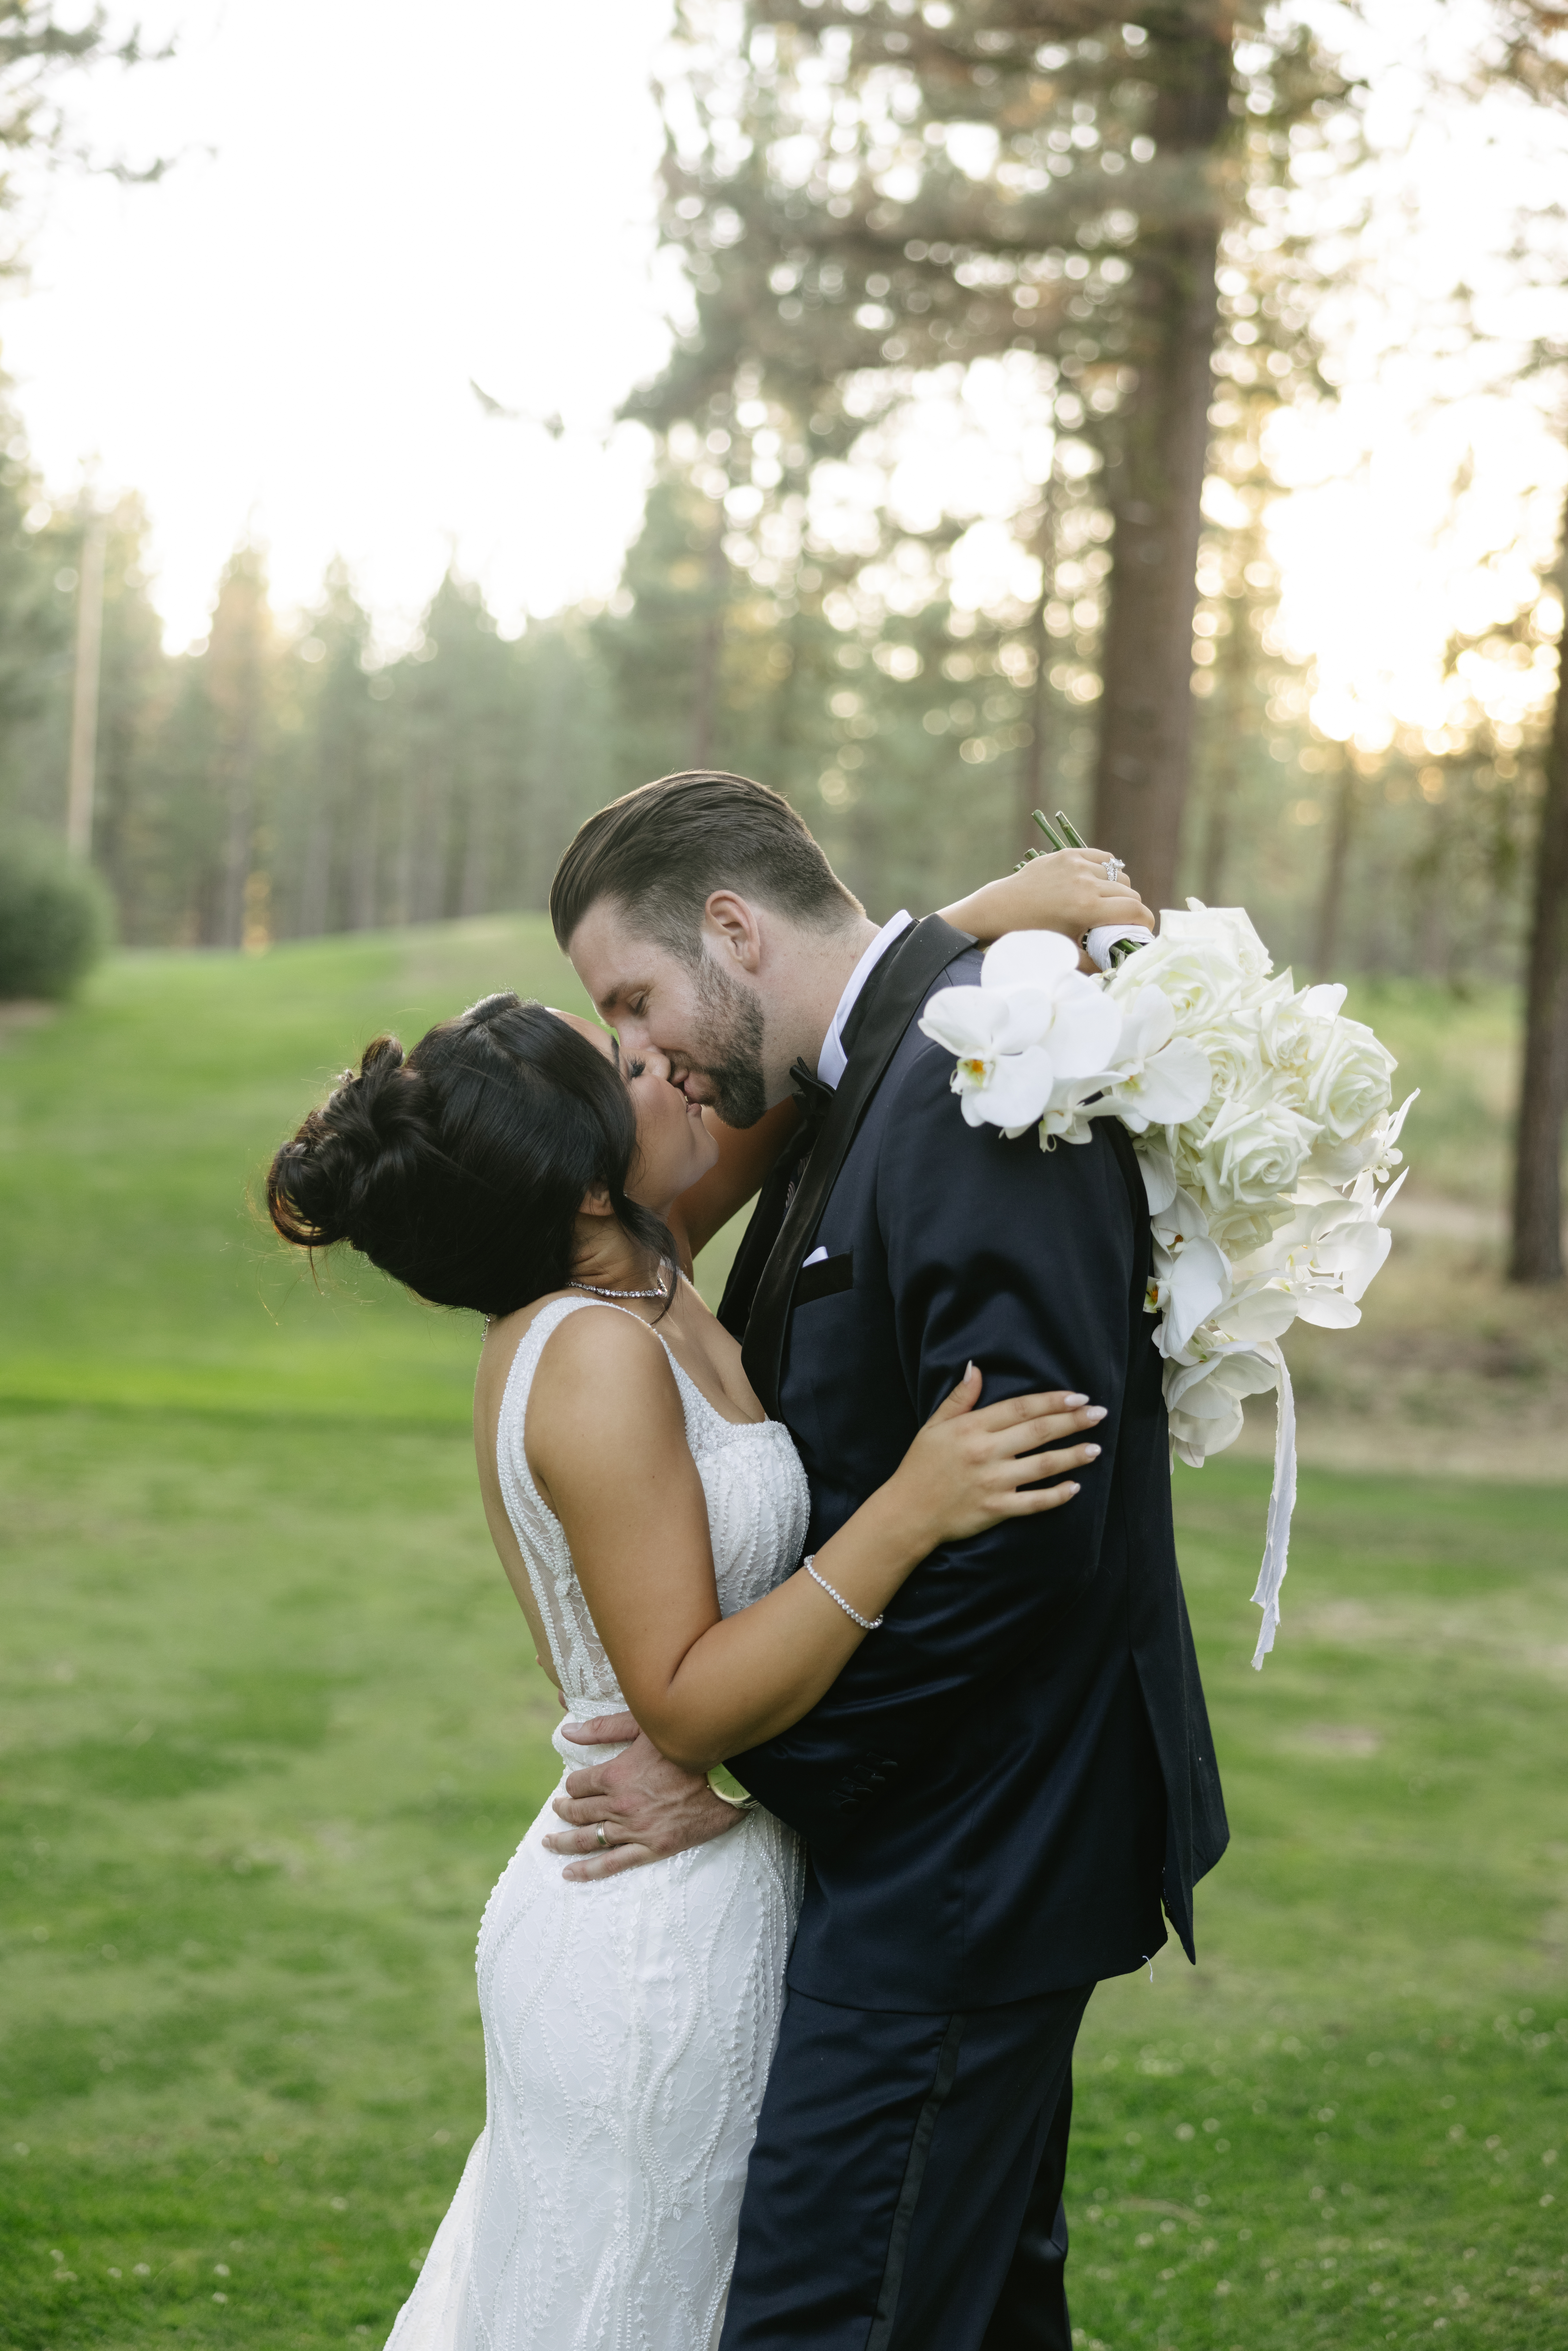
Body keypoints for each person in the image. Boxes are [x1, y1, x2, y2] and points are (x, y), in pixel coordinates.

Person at [265, 836, 1138, 2351]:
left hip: (709, 1884)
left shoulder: (644, 1263)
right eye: (626, 1067)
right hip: (646, 1932)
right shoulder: (590, 1354)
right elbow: (676, 1696)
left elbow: (815, 1062)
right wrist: (911, 1515)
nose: (669, 1069)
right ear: (584, 1171)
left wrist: (985, 920)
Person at [551, 772, 1229, 2351]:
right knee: (978, 2313)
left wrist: (749, 1769)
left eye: (637, 1001)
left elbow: (1030, 1530)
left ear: (731, 928)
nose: (643, 1052)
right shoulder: (868, 1073)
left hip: (967, 1852)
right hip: (938, 1839)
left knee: (822, 2318)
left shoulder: (980, 1071)